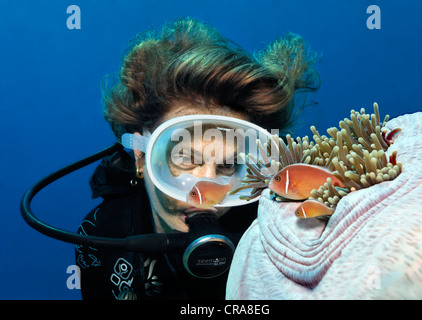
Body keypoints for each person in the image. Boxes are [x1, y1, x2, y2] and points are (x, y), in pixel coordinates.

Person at [75, 17, 319, 300]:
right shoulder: (99, 235)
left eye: (228, 166)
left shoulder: (281, 231)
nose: (207, 194)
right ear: (141, 156)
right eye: (186, 159)